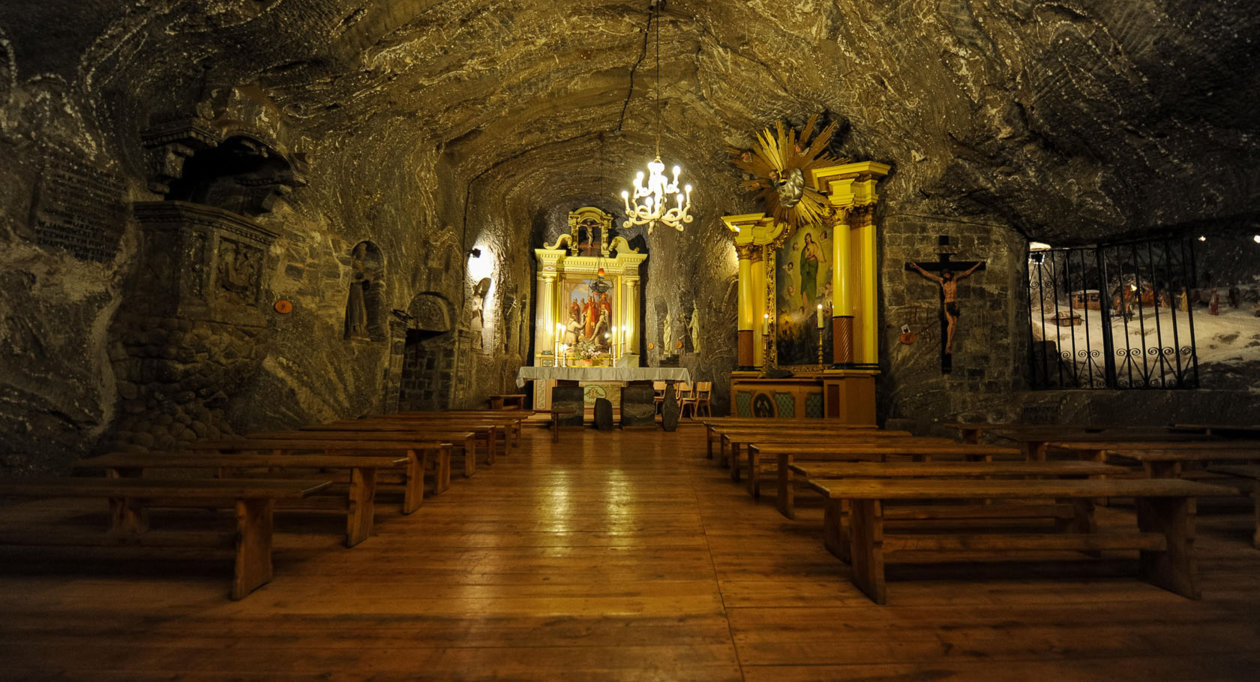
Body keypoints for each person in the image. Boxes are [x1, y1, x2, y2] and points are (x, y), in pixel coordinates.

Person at [909, 260, 983, 354]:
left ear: (949, 274)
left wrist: (976, 265)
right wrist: (917, 267)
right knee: (951, 323)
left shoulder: (955, 279)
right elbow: (928, 274)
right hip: (947, 303)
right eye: (944, 274)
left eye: (947, 274)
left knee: (955, 324)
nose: (946, 275)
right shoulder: (941, 281)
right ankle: (948, 345)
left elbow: (966, 273)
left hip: (955, 304)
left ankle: (948, 346)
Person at [798, 233, 825, 309]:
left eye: (809, 238)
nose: (807, 240)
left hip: (812, 268)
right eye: (806, 239)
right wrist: (806, 263)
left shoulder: (814, 245)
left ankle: (812, 305)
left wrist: (812, 260)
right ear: (805, 240)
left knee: (812, 286)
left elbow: (817, 255)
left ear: (810, 238)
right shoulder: (804, 249)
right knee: (805, 287)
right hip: (805, 272)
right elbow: (802, 261)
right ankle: (806, 306)